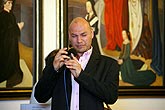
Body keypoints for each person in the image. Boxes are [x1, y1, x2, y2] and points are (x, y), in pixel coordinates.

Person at [34, 17, 119, 110]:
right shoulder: (59, 60)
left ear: (92, 33)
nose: (79, 40)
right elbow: (40, 97)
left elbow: (111, 97)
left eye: (83, 35)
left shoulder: (108, 64)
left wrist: (81, 75)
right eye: (74, 36)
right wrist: (53, 69)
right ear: (69, 37)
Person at [0, 0, 24, 87]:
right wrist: (18, 27)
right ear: (4, 4)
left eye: (11, 3)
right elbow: (4, 32)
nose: (11, 5)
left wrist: (17, 28)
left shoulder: (10, 15)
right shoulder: (2, 16)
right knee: (7, 59)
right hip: (6, 45)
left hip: (11, 43)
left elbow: (11, 29)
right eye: (9, 3)